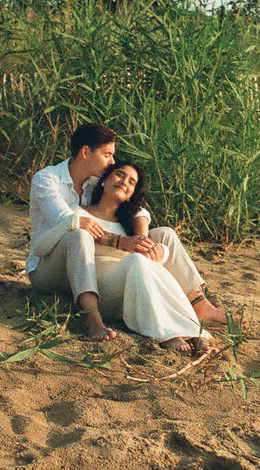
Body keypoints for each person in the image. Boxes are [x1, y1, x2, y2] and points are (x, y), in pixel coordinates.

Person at [26, 123, 225, 341]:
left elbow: (132, 205)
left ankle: (200, 304)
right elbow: (69, 222)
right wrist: (122, 242)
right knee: (79, 234)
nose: (112, 162)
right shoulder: (47, 180)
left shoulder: (94, 181)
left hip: (89, 263)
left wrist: (141, 238)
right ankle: (91, 317)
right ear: (85, 152)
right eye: (107, 155)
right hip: (48, 263)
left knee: (165, 234)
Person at [86, 160, 210, 352]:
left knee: (145, 259)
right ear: (104, 180)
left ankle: (191, 330)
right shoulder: (82, 214)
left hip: (133, 291)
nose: (124, 182)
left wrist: (161, 251)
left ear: (131, 194)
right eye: (119, 175)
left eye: (131, 182)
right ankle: (167, 332)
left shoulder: (128, 223)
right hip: (102, 291)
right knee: (135, 260)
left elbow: (152, 264)